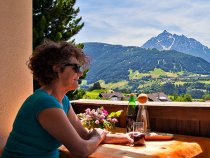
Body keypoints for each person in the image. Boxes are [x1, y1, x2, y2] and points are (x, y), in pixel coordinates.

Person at [1, 40, 133, 157]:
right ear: (57, 69)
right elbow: (81, 150)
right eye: (76, 68)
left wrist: (123, 137)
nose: (80, 73)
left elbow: (85, 136)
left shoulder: (62, 100)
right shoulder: (45, 103)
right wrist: (99, 135)